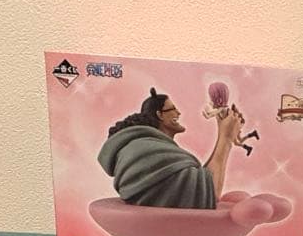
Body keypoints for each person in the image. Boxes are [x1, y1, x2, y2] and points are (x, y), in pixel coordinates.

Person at [98, 88, 243, 209]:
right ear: (160, 114)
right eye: (173, 109)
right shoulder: (146, 151)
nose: (178, 113)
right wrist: (226, 138)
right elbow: (208, 193)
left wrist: (223, 130)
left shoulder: (149, 148)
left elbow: (201, 180)